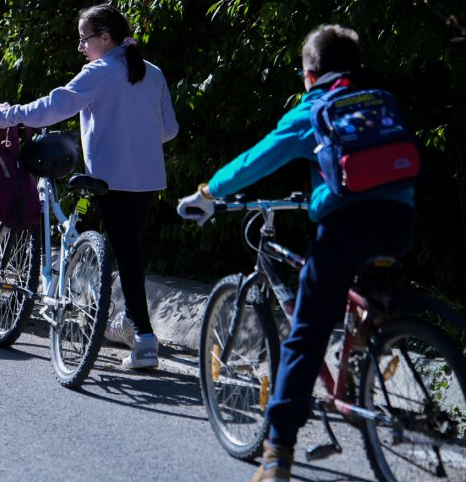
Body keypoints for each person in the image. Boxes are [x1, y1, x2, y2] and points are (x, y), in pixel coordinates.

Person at [176, 25, 415, 482]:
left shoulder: (315, 107)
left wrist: (209, 191)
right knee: (357, 275)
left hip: (347, 230)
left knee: (305, 334)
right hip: (401, 224)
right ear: (356, 63)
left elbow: (260, 158)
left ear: (309, 75)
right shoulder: (383, 97)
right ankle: (374, 319)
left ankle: (278, 454)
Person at [0, 3, 178, 368]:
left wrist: (7, 114)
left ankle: (145, 339)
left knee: (123, 254)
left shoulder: (99, 72)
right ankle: (126, 324)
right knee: (127, 250)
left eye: (84, 39)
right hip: (149, 178)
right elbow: (169, 130)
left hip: (110, 179)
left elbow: (52, 107)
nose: (80, 47)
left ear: (105, 38)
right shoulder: (153, 73)